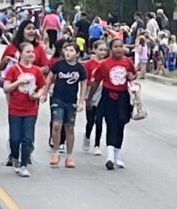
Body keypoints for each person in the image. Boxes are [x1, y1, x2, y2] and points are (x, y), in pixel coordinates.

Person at [90, 39, 137, 169]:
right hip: (108, 95)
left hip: (123, 97)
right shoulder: (104, 64)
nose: (118, 49)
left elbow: (133, 75)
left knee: (121, 124)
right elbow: (96, 82)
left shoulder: (127, 62)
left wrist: (131, 77)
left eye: (121, 46)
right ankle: (110, 156)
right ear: (111, 49)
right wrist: (90, 98)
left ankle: (117, 154)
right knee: (111, 123)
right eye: (115, 47)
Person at [1, 43, 44, 174]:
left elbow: (42, 86)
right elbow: (6, 88)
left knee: (27, 138)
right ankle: (14, 156)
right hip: (15, 109)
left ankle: (24, 164)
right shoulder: (13, 70)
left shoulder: (37, 70)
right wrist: (19, 82)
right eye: (28, 52)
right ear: (20, 54)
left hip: (31, 109)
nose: (31, 54)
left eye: (32, 52)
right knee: (15, 138)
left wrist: (38, 95)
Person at [46, 40, 85, 168]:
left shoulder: (80, 68)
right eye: (66, 50)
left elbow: (83, 85)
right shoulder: (58, 65)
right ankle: (56, 152)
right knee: (57, 124)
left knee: (69, 127)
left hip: (71, 101)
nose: (68, 53)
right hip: (58, 98)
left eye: (71, 51)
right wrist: (44, 93)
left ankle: (69, 156)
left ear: (77, 54)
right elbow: (50, 78)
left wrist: (81, 101)